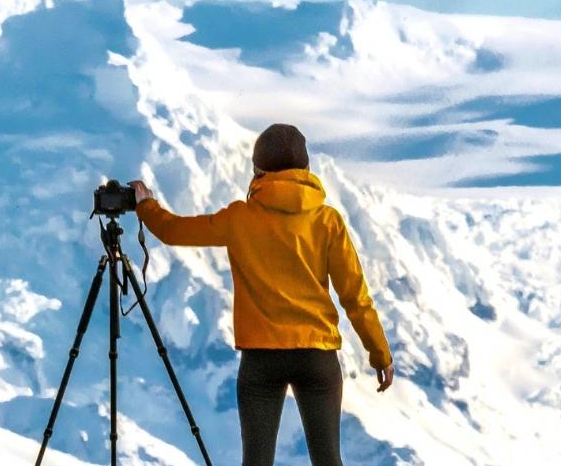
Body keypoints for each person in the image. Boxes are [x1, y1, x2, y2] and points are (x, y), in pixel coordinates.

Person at [130, 123, 394, 466]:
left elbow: (173, 230)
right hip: (317, 355)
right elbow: (355, 296)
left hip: (261, 359)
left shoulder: (241, 218)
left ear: (258, 171)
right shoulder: (327, 221)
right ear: (307, 170)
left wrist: (146, 205)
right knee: (328, 460)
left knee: (256, 462)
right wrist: (380, 353)